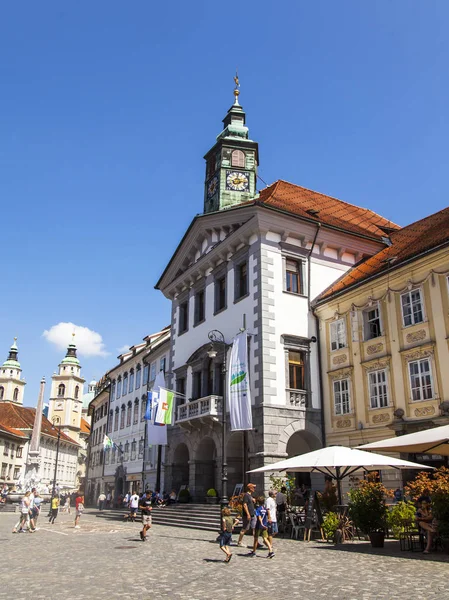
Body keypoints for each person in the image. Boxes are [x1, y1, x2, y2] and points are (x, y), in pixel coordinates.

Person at [237, 483, 257, 548]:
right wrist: (248, 514)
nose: (254, 489)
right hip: (247, 515)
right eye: (253, 487)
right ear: (250, 488)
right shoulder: (246, 495)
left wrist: (253, 500)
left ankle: (256, 542)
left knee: (254, 528)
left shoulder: (250, 495)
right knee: (245, 528)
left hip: (253, 514)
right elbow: (245, 505)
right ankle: (239, 542)